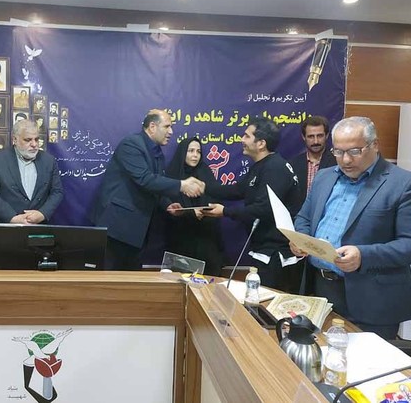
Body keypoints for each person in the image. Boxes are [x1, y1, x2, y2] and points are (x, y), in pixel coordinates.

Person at [291, 116, 411, 340]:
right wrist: (302, 239)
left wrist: (363, 256)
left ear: (374, 145)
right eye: (338, 152)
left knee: (367, 361)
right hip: (320, 289)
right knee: (323, 354)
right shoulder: (324, 177)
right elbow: (304, 217)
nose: (346, 160)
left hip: (372, 298)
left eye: (355, 151)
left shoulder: (406, 184)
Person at [91, 109, 205, 270]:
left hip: (137, 232)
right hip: (117, 228)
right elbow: (145, 179)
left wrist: (167, 204)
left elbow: (155, 186)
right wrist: (182, 185)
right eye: (167, 126)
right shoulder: (131, 144)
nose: (171, 132)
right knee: (110, 278)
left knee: (131, 279)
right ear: (152, 127)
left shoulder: (157, 153)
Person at [202, 117, 301, 292]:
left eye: (247, 136)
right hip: (264, 249)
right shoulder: (261, 165)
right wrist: (203, 187)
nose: (242, 139)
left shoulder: (274, 168)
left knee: (268, 301)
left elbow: (263, 209)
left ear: (261, 143)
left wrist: (225, 212)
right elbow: (238, 190)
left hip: (276, 254)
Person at [0, 119, 64, 224]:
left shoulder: (49, 161)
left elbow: (57, 192)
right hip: (6, 227)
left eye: (36, 139)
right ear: (15, 139)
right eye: (28, 140)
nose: (34, 144)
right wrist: (12, 218)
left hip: (39, 227)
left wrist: (42, 213)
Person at [165, 137, 223, 276]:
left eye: (198, 151)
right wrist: (190, 213)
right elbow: (167, 205)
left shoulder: (205, 171)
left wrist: (205, 210)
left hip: (205, 236)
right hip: (181, 237)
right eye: (191, 151)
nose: (195, 155)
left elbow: (214, 195)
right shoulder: (173, 174)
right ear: (182, 152)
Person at [289, 115, 336, 212]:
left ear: (327, 136)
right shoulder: (293, 164)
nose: (315, 141)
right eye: (311, 136)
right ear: (303, 137)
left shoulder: (336, 163)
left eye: (320, 136)